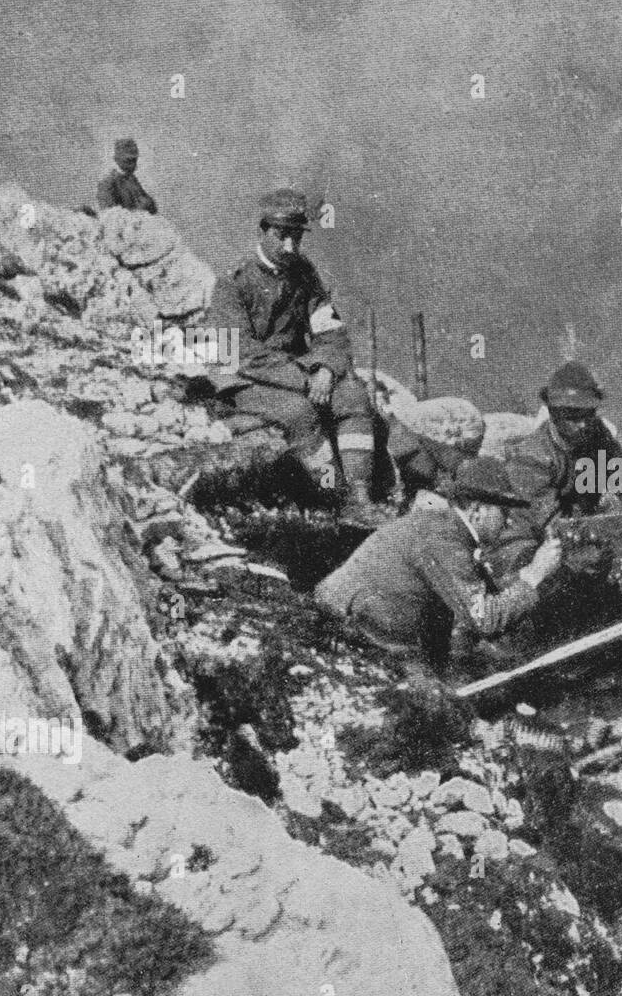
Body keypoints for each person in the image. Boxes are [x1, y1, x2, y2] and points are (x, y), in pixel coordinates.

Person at [204, 187, 381, 527]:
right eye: (281, 236)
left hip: (295, 371)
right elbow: (238, 352)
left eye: (296, 237)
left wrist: (326, 368)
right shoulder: (233, 282)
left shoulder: (304, 274)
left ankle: (360, 497)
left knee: (353, 396)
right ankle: (332, 495)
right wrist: (305, 379)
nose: (290, 246)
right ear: (264, 230)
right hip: (244, 379)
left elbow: (330, 331)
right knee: (301, 413)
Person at [313, 456, 563, 666]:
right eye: (503, 512)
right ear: (477, 510)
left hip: (354, 613)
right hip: (351, 626)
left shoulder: (445, 527)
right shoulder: (444, 539)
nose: (508, 521)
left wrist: (525, 577)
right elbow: (484, 618)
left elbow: (481, 595)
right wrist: (533, 575)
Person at [493, 360, 622, 576]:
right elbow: (552, 524)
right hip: (531, 544)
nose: (583, 424)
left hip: (579, 532)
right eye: (572, 418)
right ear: (554, 414)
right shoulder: (531, 458)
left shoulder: (597, 433)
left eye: (588, 415)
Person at [96, 138, 158, 214]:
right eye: (128, 160)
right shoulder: (107, 183)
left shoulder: (132, 179)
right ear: (117, 159)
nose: (133, 165)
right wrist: (139, 210)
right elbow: (110, 215)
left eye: (134, 160)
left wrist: (149, 204)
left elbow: (151, 206)